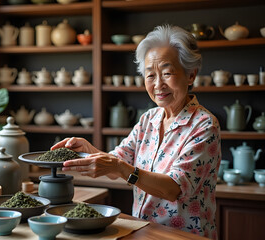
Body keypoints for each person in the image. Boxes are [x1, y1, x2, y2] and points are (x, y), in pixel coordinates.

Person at [51, 24, 221, 239]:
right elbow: (116, 165)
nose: (158, 84)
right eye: (150, 76)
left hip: (183, 236)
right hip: (144, 231)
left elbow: (173, 189)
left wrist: (120, 167)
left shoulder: (205, 125)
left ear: (190, 75)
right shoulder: (149, 119)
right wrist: (89, 150)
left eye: (167, 73)